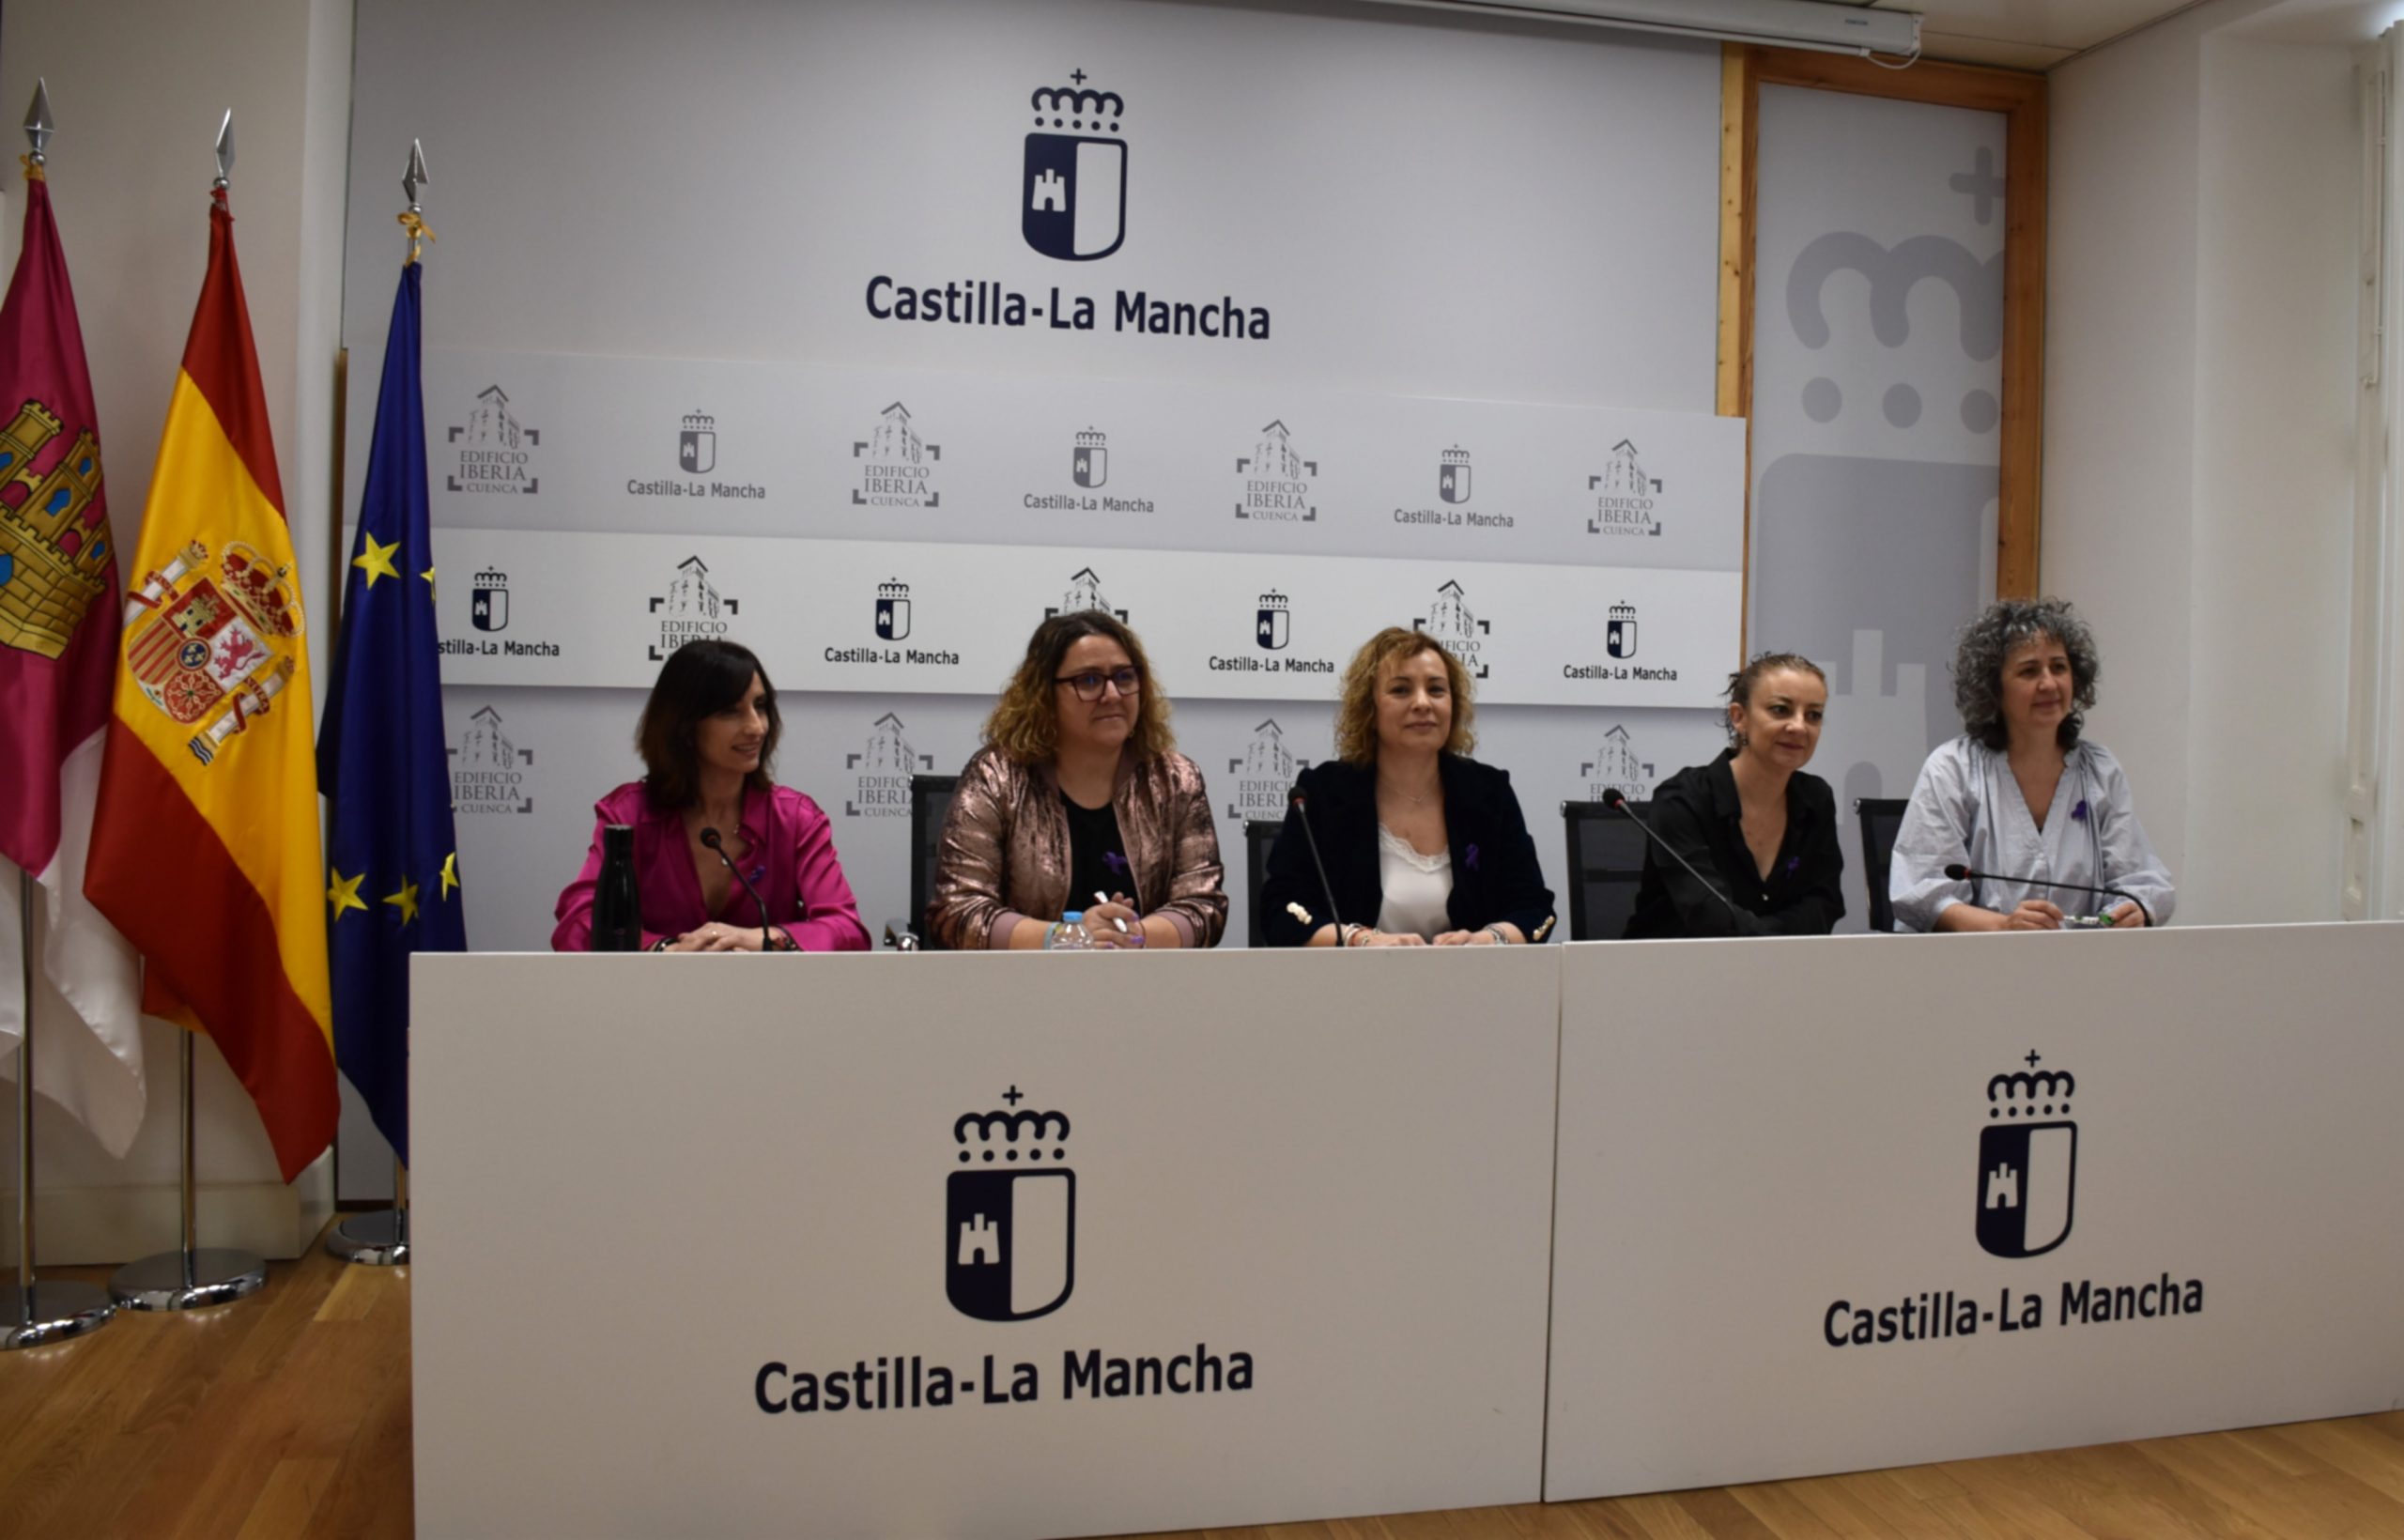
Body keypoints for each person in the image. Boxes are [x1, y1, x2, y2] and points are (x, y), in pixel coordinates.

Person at [926, 611, 1226, 950]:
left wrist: (1132, 936)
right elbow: (958, 911)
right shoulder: (995, 777)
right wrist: (1069, 937)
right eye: (1089, 681)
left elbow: (1204, 906)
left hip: (1146, 978)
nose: (1112, 694)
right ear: (1044, 695)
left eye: (1124, 677)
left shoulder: (1176, 780)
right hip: (1025, 981)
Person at [552, 639, 869, 953]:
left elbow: (846, 930)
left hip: (767, 987)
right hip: (655, 986)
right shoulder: (629, 814)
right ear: (684, 725)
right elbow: (577, 924)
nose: (756, 727)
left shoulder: (796, 818)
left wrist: (763, 939)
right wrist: (663, 950)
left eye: (760, 706)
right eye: (730, 711)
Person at [1890, 598, 2175, 932]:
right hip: (1977, 959)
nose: (2049, 684)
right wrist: (2004, 927)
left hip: (2079, 960)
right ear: (1993, 688)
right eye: (2029, 671)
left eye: (2059, 667)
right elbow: (1923, 893)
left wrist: (2134, 908)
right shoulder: (1952, 768)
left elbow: (2142, 881)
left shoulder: (2100, 770)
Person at [1258, 627, 1554, 947]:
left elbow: (1534, 907)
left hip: (1470, 976)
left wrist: (1488, 940)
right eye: (1401, 690)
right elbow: (1281, 911)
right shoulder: (1323, 793)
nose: (1423, 703)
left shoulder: (1489, 792)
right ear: (1370, 708)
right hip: (1353, 977)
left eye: (1436, 690)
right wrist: (1360, 940)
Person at [1624, 652, 1844, 938]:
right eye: (1781, 710)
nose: (1799, 726)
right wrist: (1778, 940)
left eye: (1813, 715)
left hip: (1784, 963)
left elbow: (1823, 903)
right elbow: (1708, 915)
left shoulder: (1816, 798)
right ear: (1740, 718)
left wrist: (1774, 946)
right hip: (1677, 962)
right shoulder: (1681, 800)